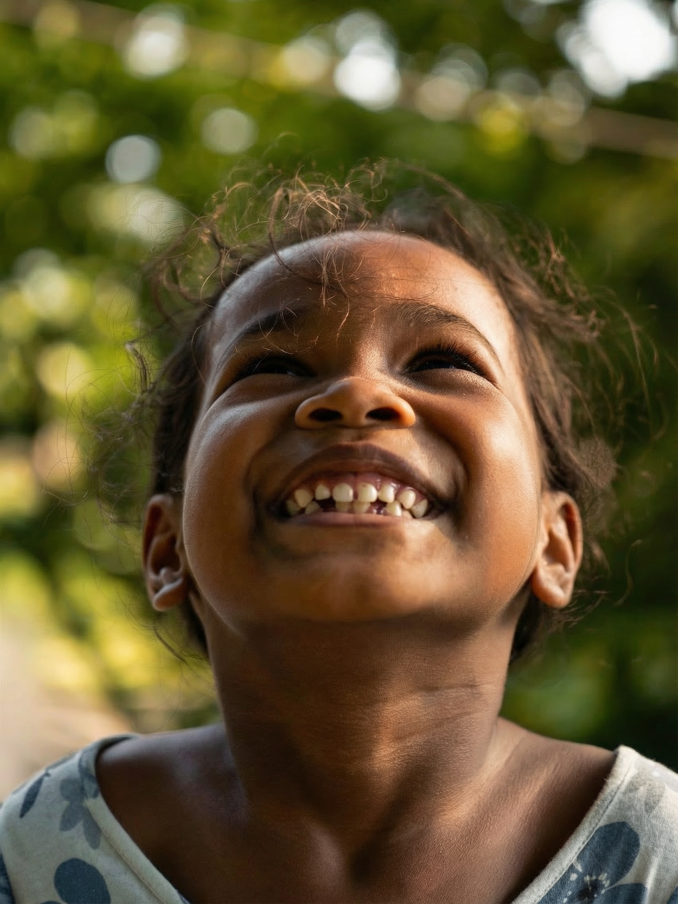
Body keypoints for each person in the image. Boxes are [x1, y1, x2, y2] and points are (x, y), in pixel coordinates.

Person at [1, 164, 676, 904]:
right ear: (168, 549)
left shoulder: (661, 857)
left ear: (555, 544)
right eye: (273, 365)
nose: (358, 392)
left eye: (444, 361)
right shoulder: (32, 856)